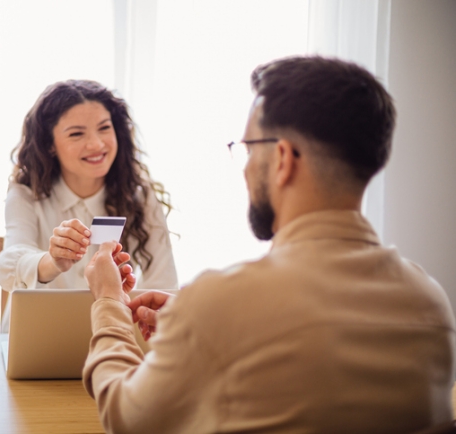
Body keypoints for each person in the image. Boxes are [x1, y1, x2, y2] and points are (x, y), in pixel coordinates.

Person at [82, 56, 456, 433]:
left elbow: (124, 418)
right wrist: (195, 329)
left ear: (282, 158)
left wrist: (108, 302)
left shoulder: (222, 302)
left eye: (247, 147)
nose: (244, 167)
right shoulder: (430, 302)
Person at [0, 80, 178, 333]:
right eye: (76, 134)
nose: (96, 144)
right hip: (35, 337)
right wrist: (52, 261)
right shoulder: (25, 194)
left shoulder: (142, 198)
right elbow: (7, 267)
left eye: (104, 128)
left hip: (112, 338)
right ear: (50, 144)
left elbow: (164, 284)